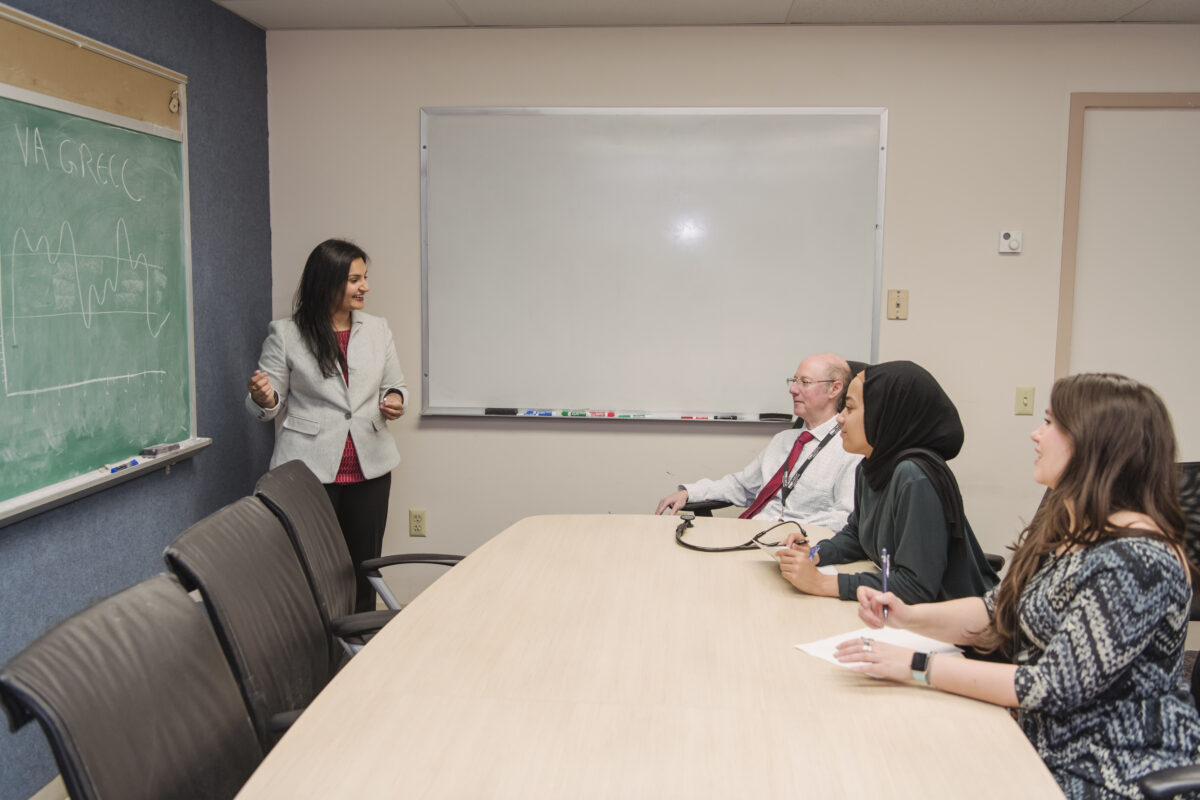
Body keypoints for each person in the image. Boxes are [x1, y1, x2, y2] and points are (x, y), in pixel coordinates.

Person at [834, 373, 1200, 799]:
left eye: (1050, 424)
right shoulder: (1073, 528)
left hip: (1106, 769)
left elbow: (1051, 686)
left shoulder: (1137, 560)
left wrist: (917, 666)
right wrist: (908, 615)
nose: (1036, 434)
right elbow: (998, 612)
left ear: (1095, 445)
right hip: (1036, 742)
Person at [246, 238, 407, 613]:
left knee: (366, 567)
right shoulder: (286, 334)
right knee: (314, 571)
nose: (365, 286)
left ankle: (363, 645)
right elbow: (270, 406)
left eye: (365, 278)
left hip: (371, 467)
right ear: (328, 281)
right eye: (355, 279)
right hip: (308, 470)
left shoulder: (378, 329)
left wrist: (396, 400)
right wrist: (263, 397)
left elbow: (395, 385)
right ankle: (322, 653)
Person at [778, 361, 998, 602]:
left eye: (850, 409)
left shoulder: (914, 476)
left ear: (884, 415)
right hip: (909, 614)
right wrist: (814, 552)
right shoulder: (871, 466)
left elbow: (916, 587)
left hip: (954, 622)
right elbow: (857, 535)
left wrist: (822, 583)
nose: (840, 418)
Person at [654, 353, 861, 530]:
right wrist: (690, 493)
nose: (793, 390)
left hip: (797, 548)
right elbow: (741, 486)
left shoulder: (850, 447)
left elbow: (845, 517)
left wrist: (793, 531)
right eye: (794, 381)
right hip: (754, 535)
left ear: (834, 389)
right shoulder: (784, 440)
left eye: (804, 382)